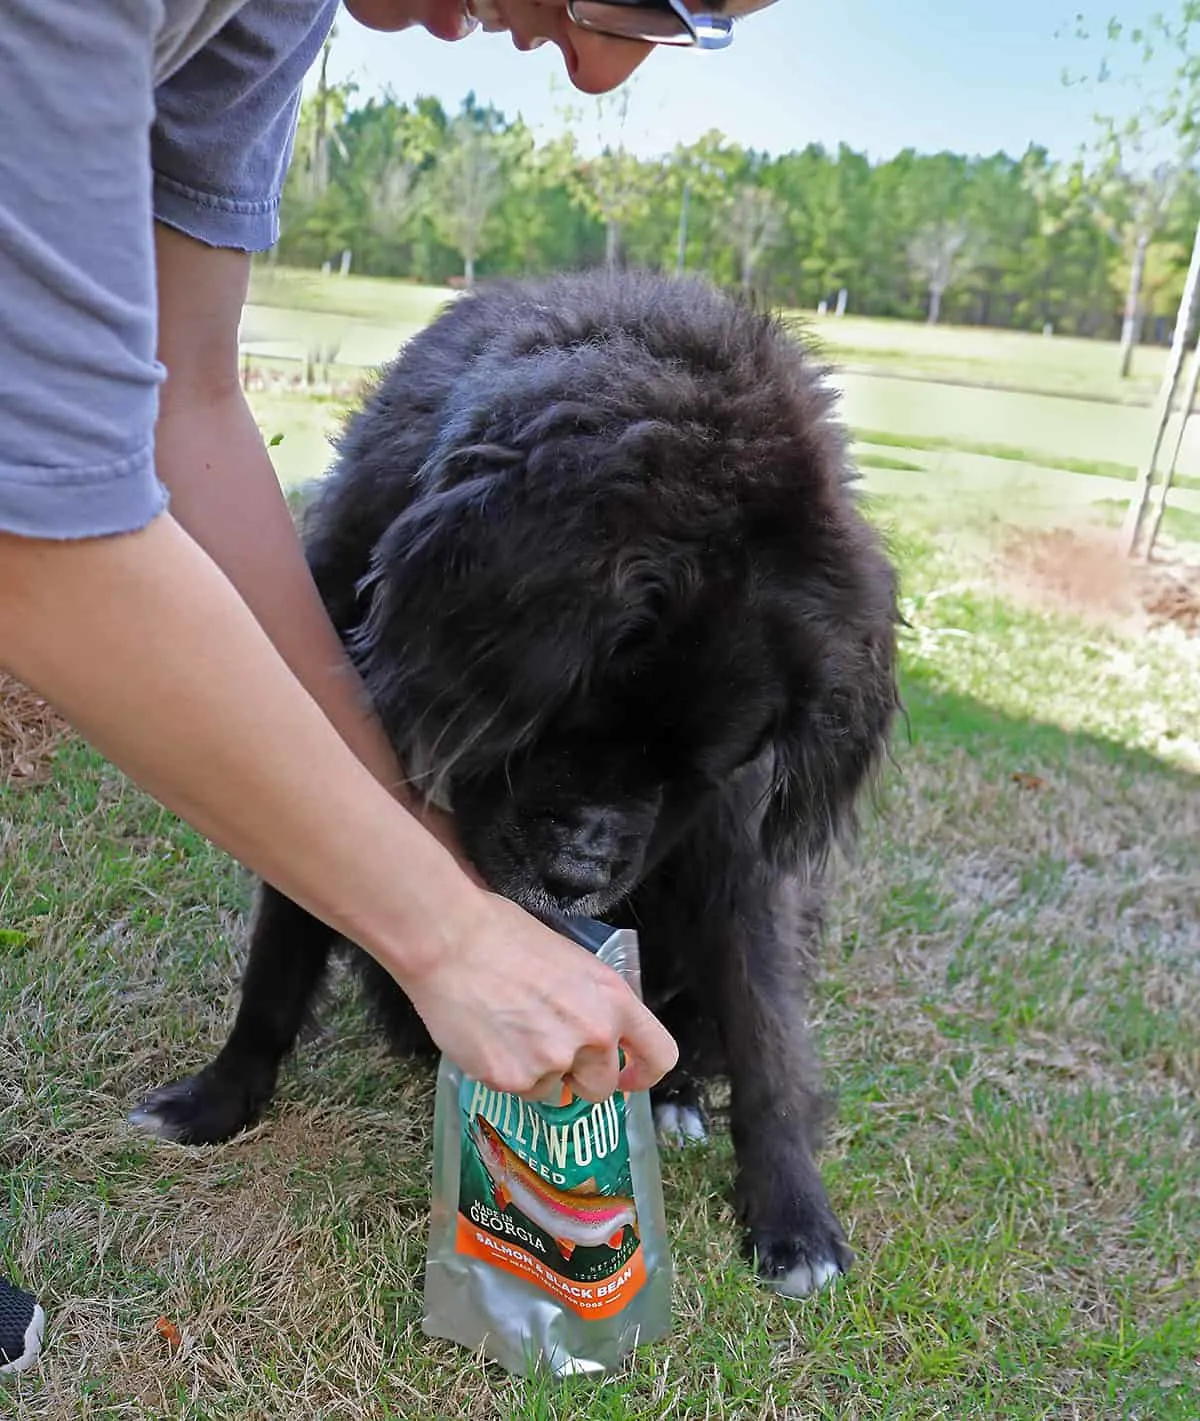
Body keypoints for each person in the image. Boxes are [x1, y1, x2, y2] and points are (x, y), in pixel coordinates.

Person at [0, 0, 779, 1376]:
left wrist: (422, 843)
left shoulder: (271, 14)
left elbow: (183, 406)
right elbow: (40, 523)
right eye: (654, 4)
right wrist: (443, 936)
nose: (601, 71)